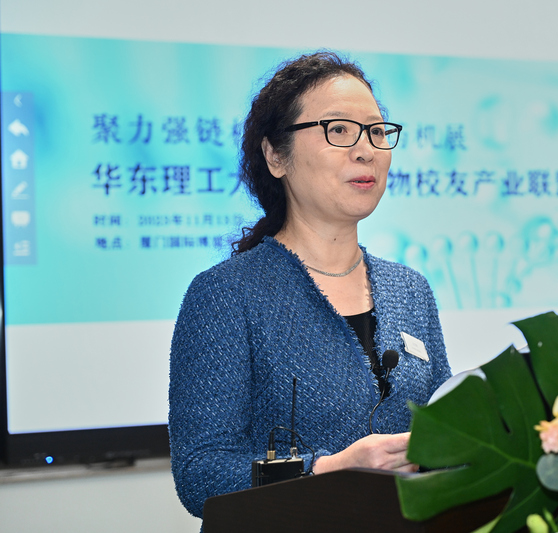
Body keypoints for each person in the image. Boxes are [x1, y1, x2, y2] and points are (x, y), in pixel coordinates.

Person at [168, 51, 452, 519]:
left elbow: (447, 432)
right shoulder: (225, 295)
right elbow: (200, 474)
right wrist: (327, 470)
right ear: (275, 156)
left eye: (377, 132)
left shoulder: (410, 290)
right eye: (338, 130)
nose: (366, 150)